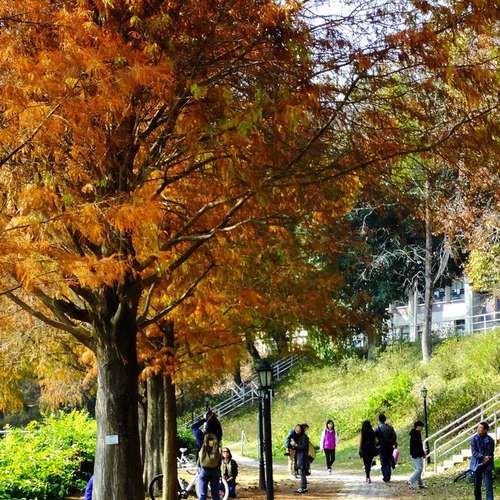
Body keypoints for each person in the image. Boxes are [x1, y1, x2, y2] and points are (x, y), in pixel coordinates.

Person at [470, 421, 495, 500]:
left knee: (488, 486)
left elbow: (490, 453)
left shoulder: (490, 440)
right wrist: (483, 457)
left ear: (485, 430)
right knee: (477, 486)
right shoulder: (474, 439)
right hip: (476, 465)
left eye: (480, 428)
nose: (478, 429)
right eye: (478, 427)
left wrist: (486, 459)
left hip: (487, 465)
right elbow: (474, 452)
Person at [197, 433, 222, 500]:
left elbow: (195, 429)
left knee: (203, 495)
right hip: (215, 470)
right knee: (215, 495)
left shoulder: (202, 444)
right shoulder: (216, 445)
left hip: (204, 470)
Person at [374, 413, 397, 483]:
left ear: (379, 420)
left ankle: (386, 476)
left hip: (382, 447)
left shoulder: (377, 428)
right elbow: (394, 436)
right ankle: (388, 476)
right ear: (385, 419)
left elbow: (374, 438)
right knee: (388, 460)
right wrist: (392, 443)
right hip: (389, 446)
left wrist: (377, 444)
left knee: (383, 462)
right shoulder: (390, 427)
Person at [408, 421, 426, 489]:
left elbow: (419, 446)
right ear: (418, 427)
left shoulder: (416, 433)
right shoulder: (415, 434)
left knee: (419, 469)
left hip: (417, 454)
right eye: (421, 427)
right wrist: (422, 453)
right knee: (419, 469)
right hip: (416, 454)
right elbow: (418, 446)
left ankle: (420, 484)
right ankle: (410, 481)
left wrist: (422, 453)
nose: (422, 428)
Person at [295, 423, 310, 494]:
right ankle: (304, 487)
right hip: (301, 456)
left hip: (303, 457)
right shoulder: (301, 437)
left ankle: (303, 487)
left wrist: (296, 445)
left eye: (298, 429)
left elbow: (303, 447)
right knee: (302, 472)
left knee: (302, 472)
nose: (297, 430)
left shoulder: (304, 437)